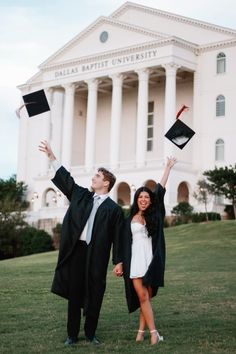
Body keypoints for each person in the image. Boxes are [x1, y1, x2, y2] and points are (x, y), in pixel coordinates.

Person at [39, 141, 123, 346]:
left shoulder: (114, 210)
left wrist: (118, 261)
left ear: (106, 184)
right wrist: (52, 157)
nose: (93, 178)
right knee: (75, 292)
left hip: (97, 254)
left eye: (97, 176)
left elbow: (119, 237)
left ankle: (91, 333)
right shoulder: (81, 196)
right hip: (77, 251)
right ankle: (72, 335)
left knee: (95, 292)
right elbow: (66, 180)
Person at [121, 157, 176, 345]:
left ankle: (140, 332)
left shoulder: (155, 215)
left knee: (148, 297)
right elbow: (122, 242)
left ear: (150, 201)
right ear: (136, 200)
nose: (144, 200)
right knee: (142, 296)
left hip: (151, 260)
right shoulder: (129, 219)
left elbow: (159, 191)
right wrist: (119, 262)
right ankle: (154, 334)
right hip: (135, 260)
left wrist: (167, 168)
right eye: (140, 197)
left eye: (147, 197)